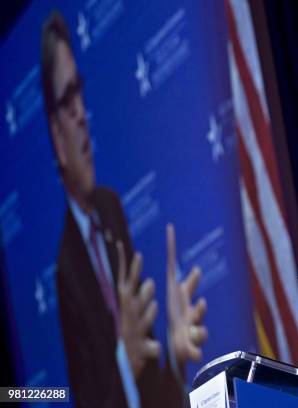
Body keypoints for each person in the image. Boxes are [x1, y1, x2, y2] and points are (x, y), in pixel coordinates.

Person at [41, 10, 207, 407]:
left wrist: (175, 353)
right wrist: (123, 362)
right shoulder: (66, 271)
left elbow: (154, 389)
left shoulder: (111, 210)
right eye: (67, 101)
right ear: (56, 139)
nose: (81, 113)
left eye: (79, 91)